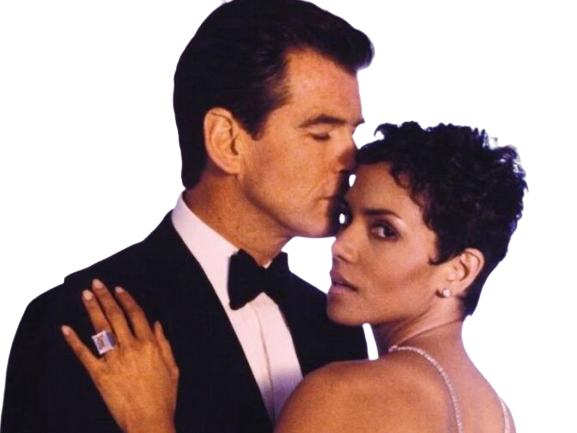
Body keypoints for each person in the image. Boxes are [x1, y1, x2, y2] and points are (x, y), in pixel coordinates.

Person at [0, 1, 375, 432]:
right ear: (226, 142)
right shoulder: (79, 318)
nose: (352, 160)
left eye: (353, 133)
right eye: (321, 134)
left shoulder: (337, 325)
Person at [62, 122, 525, 433]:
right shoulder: (497, 415)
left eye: (384, 230)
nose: (341, 246)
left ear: (460, 269)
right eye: (346, 217)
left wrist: (149, 422)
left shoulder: (343, 394)